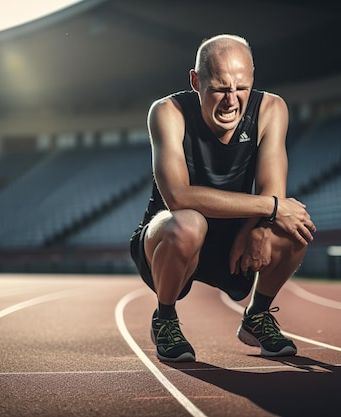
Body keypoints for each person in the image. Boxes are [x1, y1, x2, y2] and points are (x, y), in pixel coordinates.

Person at [130, 34, 316, 362]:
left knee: (294, 227)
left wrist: (255, 228)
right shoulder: (166, 111)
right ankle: (165, 318)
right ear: (195, 81)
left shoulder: (272, 109)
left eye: (241, 88)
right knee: (189, 223)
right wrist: (271, 207)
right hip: (170, 235)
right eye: (220, 88)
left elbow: (274, 188)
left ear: (253, 79)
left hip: (233, 234)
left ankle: (257, 316)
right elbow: (177, 197)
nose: (231, 100)